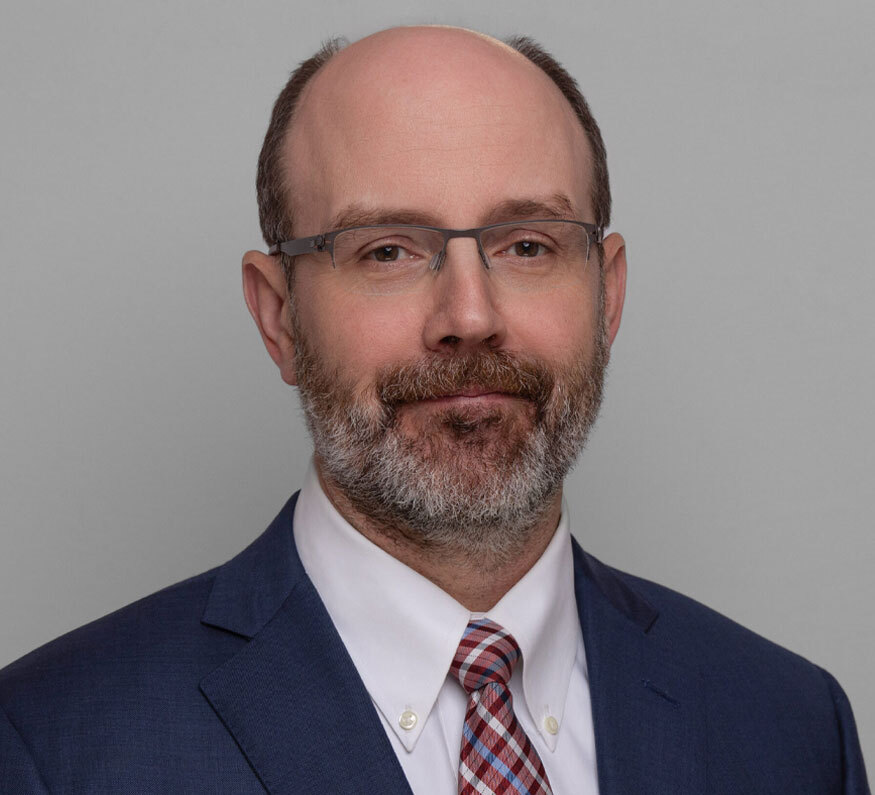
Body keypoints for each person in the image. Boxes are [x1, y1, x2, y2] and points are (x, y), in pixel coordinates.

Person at [0, 24, 868, 795]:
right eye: (387, 250)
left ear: (607, 295)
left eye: (526, 244)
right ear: (279, 317)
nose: (469, 316)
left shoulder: (789, 727)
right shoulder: (52, 745)